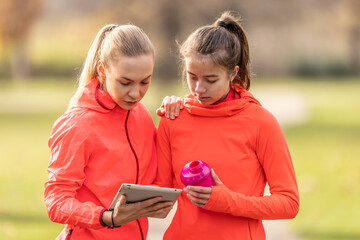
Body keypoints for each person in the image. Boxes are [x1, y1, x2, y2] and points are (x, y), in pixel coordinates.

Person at [156, 12, 300, 240]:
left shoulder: (261, 122)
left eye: (210, 80)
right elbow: (160, 194)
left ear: (233, 73)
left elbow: (289, 203)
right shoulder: (173, 118)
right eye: (192, 76)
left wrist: (227, 201)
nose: (198, 88)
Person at [44, 24, 175, 240]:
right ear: (103, 70)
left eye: (145, 81)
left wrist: (178, 111)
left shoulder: (141, 115)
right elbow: (56, 202)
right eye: (125, 82)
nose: (136, 93)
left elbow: (159, 178)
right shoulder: (77, 124)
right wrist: (107, 217)